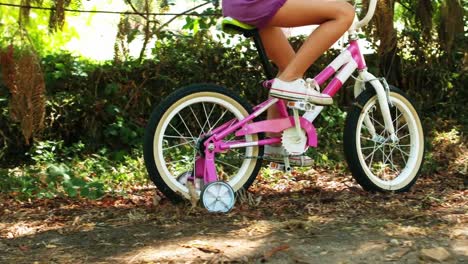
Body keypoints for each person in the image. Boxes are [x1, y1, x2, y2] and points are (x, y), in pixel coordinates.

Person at [223, 0, 355, 166]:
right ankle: (289, 81)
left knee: (289, 66)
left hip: (241, 5)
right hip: (254, 5)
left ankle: (275, 142)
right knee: (344, 13)